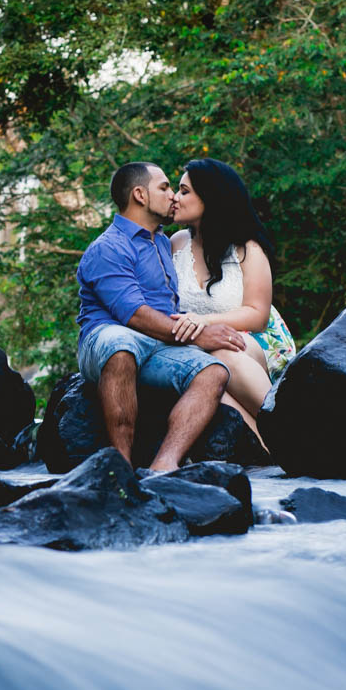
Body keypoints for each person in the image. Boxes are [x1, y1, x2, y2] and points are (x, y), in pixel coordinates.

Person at [76, 161, 246, 471]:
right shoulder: (108, 248)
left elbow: (168, 311)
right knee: (121, 344)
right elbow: (135, 315)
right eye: (165, 187)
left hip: (156, 346)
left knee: (214, 372)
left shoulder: (162, 243)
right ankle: (121, 468)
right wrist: (199, 334)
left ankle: (164, 464)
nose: (173, 195)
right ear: (140, 195)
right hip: (106, 339)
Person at [168, 158, 296, 446]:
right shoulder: (175, 243)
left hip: (256, 343)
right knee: (209, 380)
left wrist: (204, 322)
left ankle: (290, 430)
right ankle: (271, 450)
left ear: (211, 197)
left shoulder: (247, 248)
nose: (175, 198)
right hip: (200, 350)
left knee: (222, 355)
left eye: (185, 191)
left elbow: (257, 315)